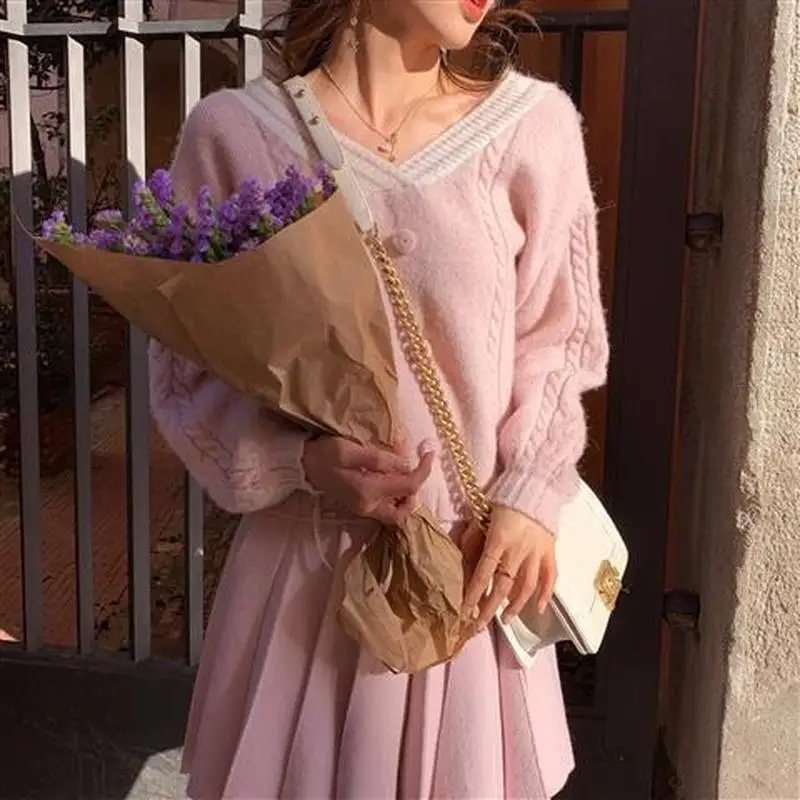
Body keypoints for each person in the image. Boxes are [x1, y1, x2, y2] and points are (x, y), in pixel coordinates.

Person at [149, 0, 609, 797]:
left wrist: (532, 492)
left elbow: (560, 342)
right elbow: (185, 369)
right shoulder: (233, 134)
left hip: (467, 577)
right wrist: (297, 461)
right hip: (303, 579)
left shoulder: (534, 128)